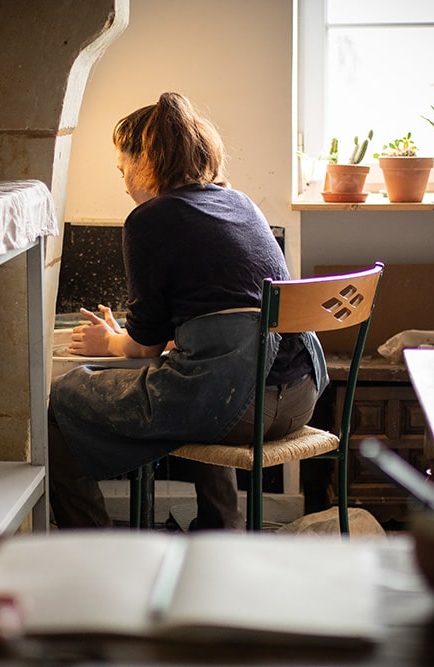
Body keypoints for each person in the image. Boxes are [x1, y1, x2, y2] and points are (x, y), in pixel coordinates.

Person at [48, 92, 328, 530]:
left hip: (240, 408)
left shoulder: (148, 220)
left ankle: (95, 546)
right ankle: (222, 528)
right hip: (302, 397)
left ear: (147, 162)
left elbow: (144, 348)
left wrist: (109, 341)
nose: (123, 182)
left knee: (63, 399)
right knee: (200, 377)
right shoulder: (241, 203)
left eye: (123, 167)